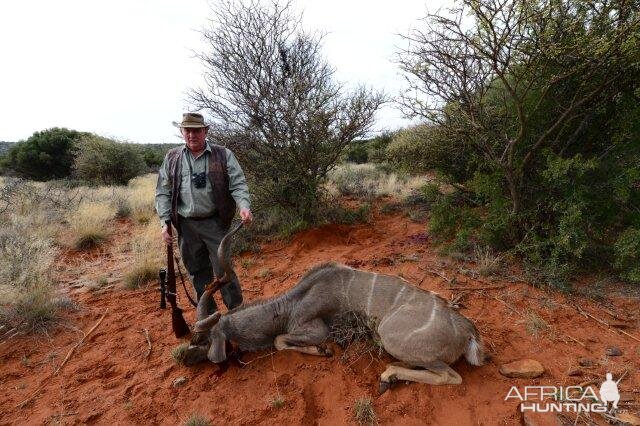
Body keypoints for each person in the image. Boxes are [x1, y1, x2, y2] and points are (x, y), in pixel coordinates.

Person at [155, 112, 252, 311]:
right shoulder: (172, 157)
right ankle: (209, 319)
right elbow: (163, 191)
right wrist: (165, 222)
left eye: (196, 130)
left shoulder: (223, 154)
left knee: (224, 271)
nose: (192, 135)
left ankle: (238, 315)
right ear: (182, 132)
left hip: (215, 224)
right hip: (186, 225)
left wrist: (244, 206)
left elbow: (238, 184)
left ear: (205, 131)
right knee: (197, 273)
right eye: (187, 130)